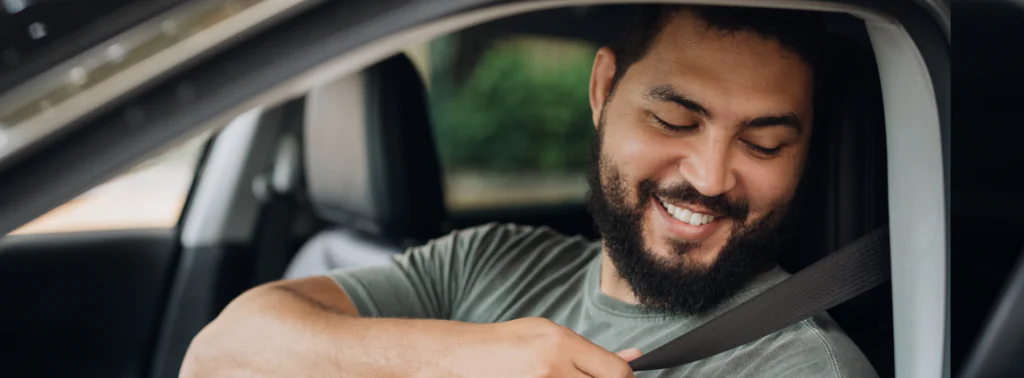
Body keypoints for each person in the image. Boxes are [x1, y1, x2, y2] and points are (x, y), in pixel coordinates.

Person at [180, 5, 877, 377]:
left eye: (764, 144)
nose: (710, 175)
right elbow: (219, 356)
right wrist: (463, 358)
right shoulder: (488, 262)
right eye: (674, 119)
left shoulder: (801, 365)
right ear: (603, 91)